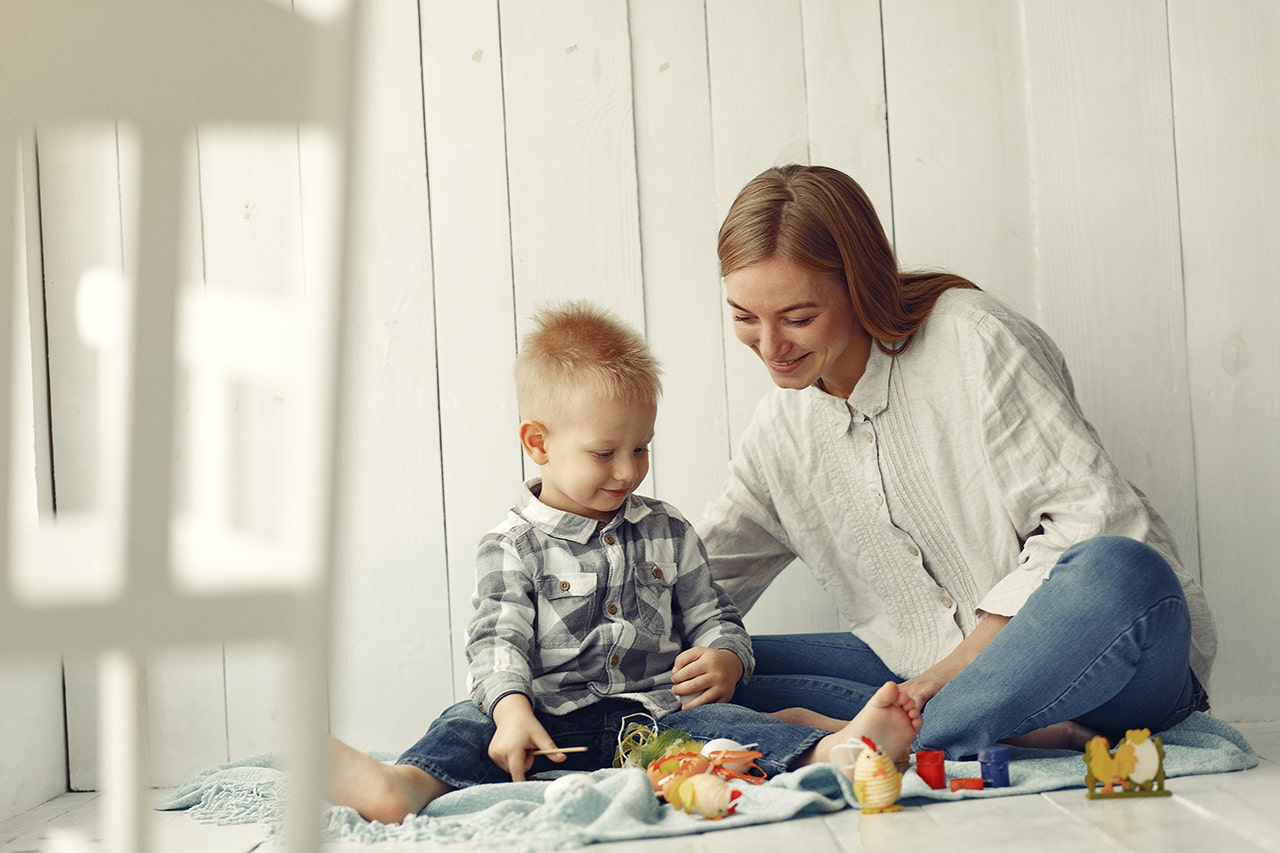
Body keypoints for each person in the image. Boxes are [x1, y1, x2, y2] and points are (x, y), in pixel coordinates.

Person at [696, 164, 1217, 761]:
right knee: (705, 671)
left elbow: (1095, 519)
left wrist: (942, 678)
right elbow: (689, 582)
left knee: (1121, 568)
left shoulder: (974, 337)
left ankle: (876, 740)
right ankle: (945, 732)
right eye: (745, 317)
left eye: (798, 318)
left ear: (861, 286)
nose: (770, 347)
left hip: (1105, 668)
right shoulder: (780, 431)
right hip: (919, 675)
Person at [328, 301, 921, 824]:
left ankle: (833, 753)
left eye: (641, 448)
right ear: (538, 443)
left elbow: (715, 616)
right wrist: (511, 712)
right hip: (545, 722)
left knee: (726, 727)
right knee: (465, 724)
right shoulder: (512, 545)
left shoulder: (667, 530)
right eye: (604, 452)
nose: (627, 470)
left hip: (654, 718)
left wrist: (724, 657)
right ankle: (404, 785)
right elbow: (496, 644)